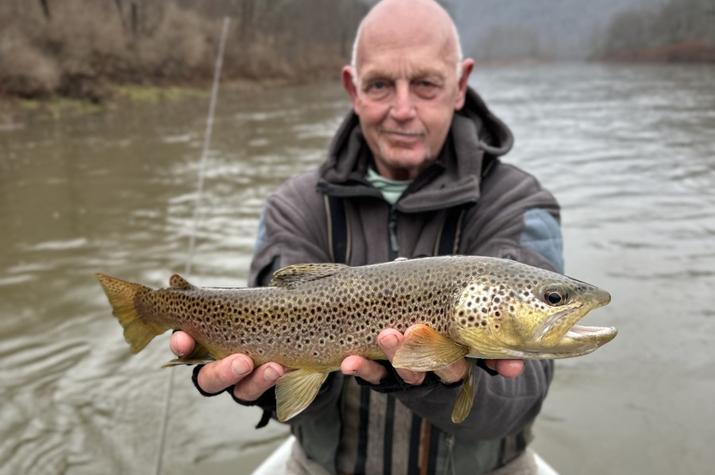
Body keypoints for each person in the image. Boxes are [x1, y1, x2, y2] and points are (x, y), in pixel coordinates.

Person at [170, 0, 563, 473]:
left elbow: (521, 395)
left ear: (460, 84)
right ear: (352, 89)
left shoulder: (518, 203)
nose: (402, 109)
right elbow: (289, 369)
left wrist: (438, 379)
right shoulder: (295, 207)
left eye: (424, 84)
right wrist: (264, 387)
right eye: (380, 85)